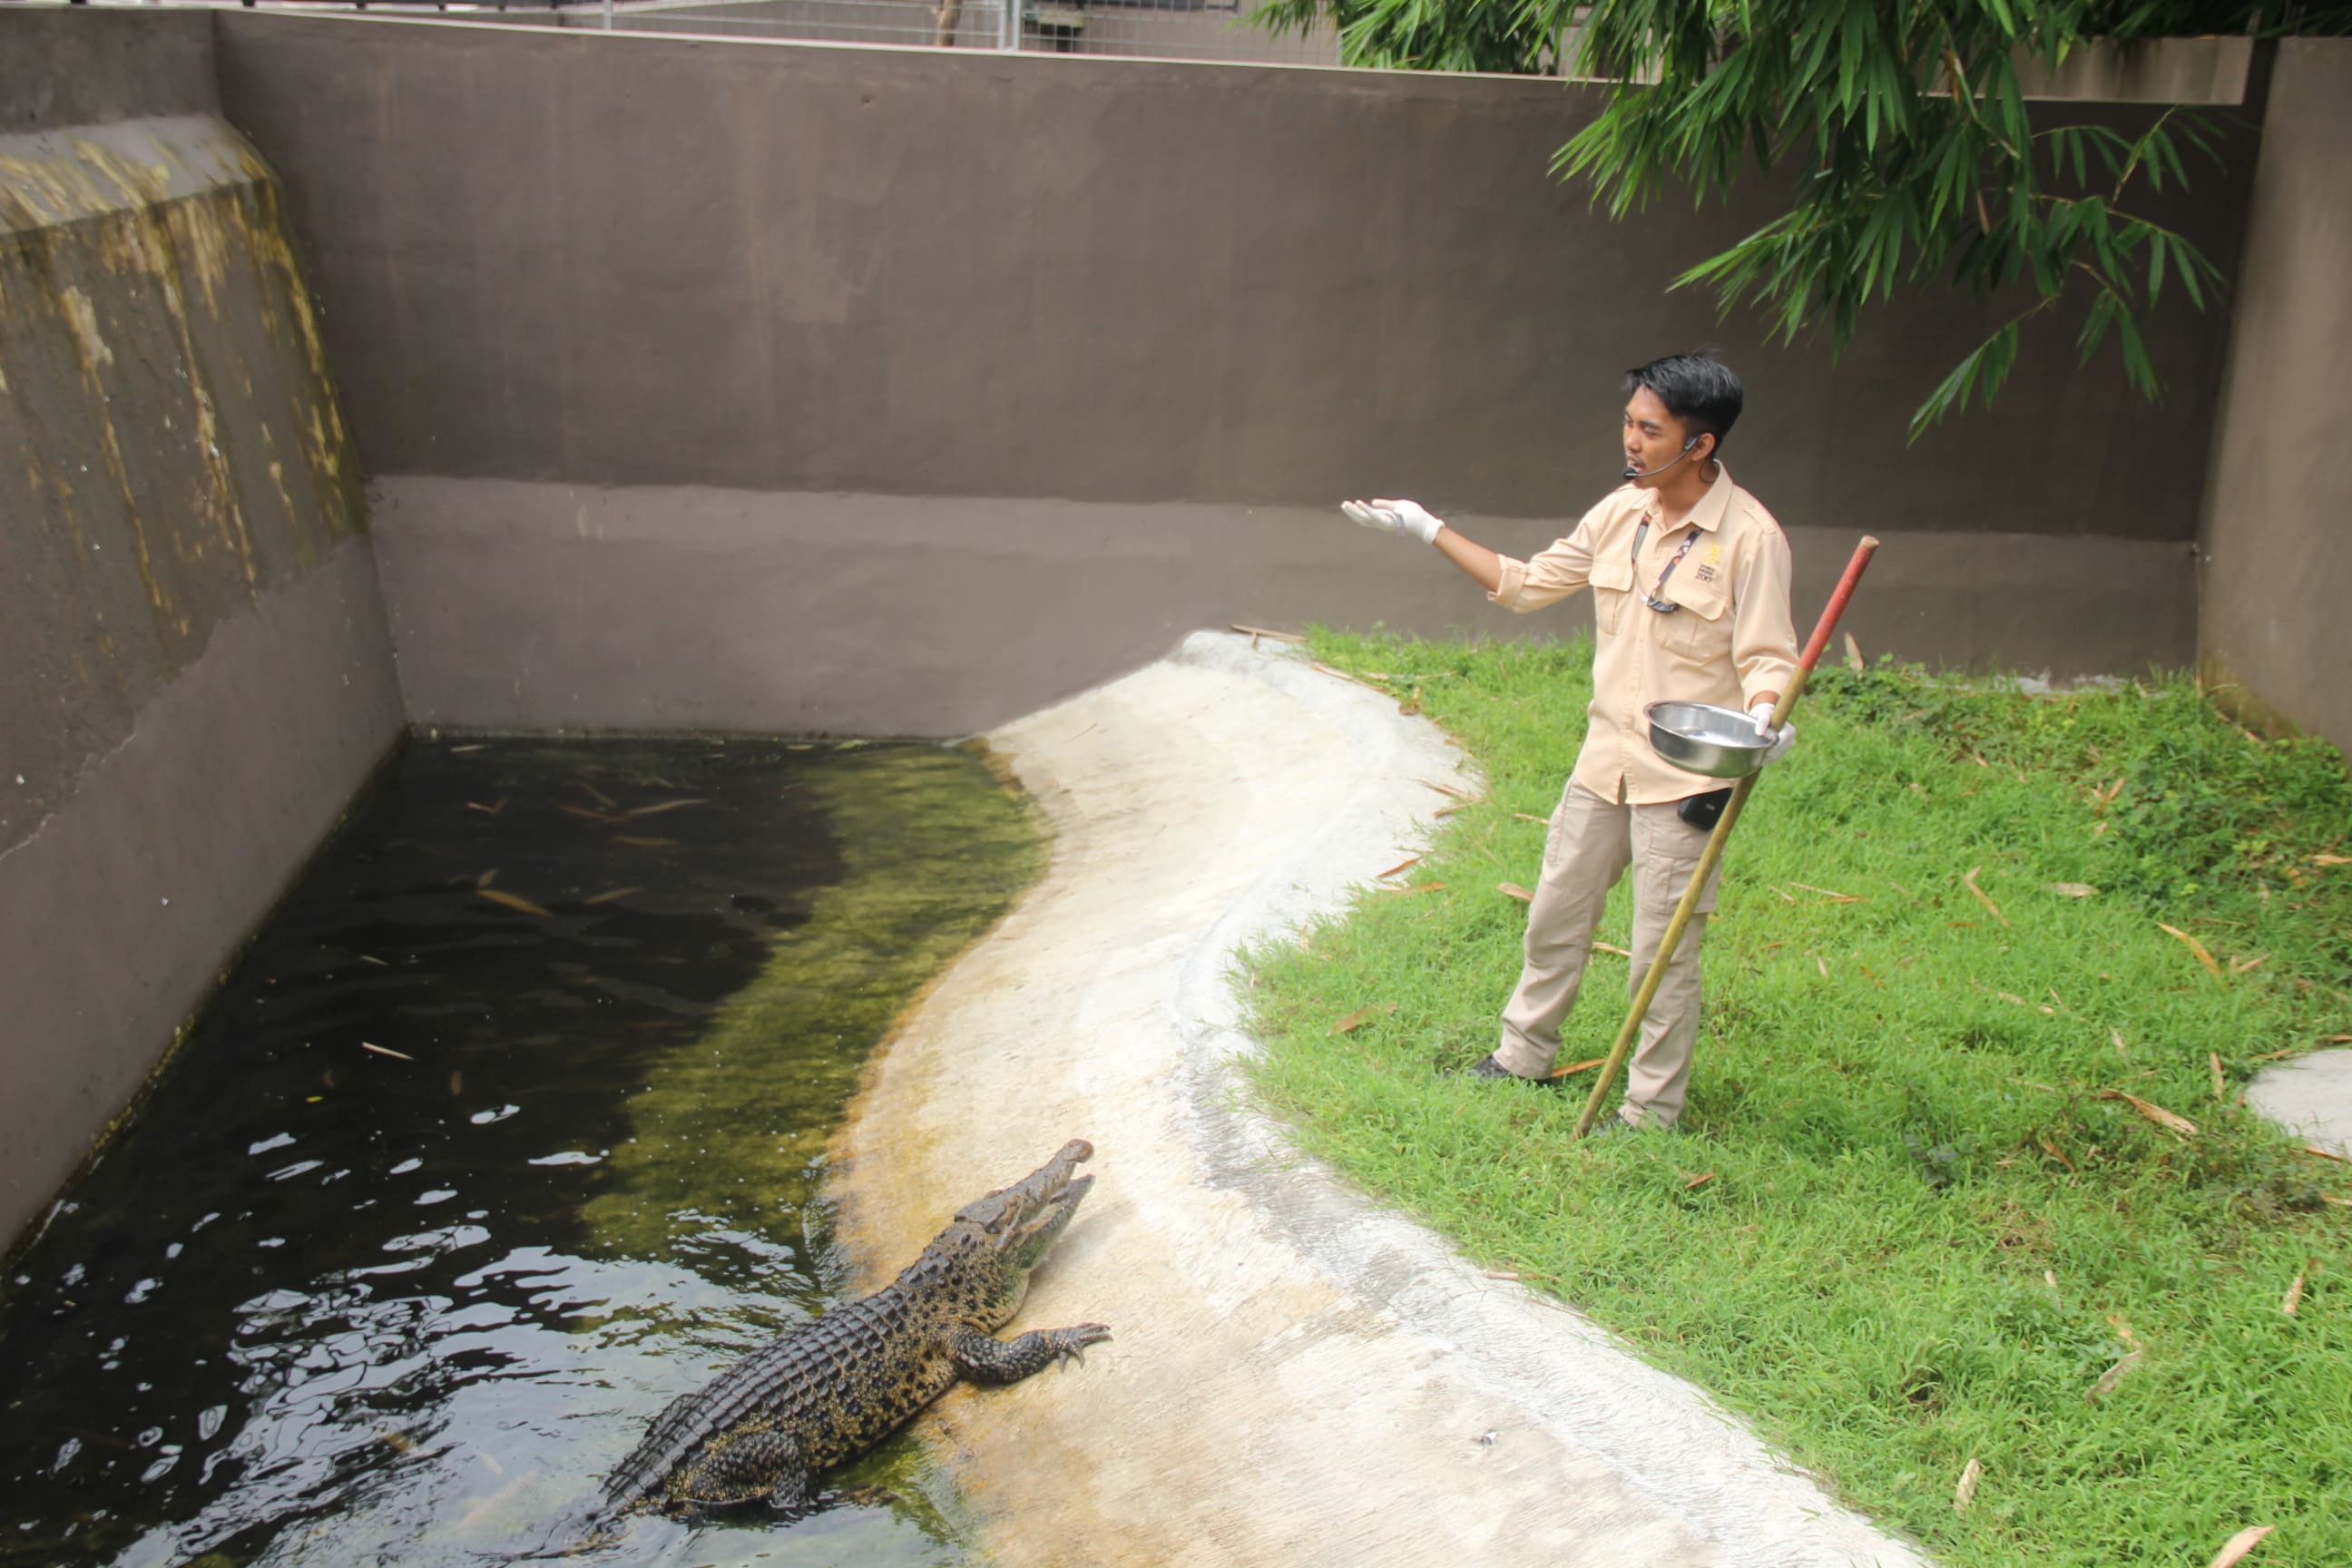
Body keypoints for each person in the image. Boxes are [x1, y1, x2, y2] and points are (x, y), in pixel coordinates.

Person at [1341, 353, 1801, 1133]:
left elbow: (1769, 658)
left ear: (1700, 446)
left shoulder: (1752, 540)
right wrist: (1427, 528)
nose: (1631, 441)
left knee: (1661, 957)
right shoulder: (1621, 513)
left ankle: (1650, 1114)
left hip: (1683, 782)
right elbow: (1525, 586)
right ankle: (1523, 1056)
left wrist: (1763, 713)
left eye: (1650, 431)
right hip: (1604, 764)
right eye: (1629, 422)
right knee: (1554, 916)